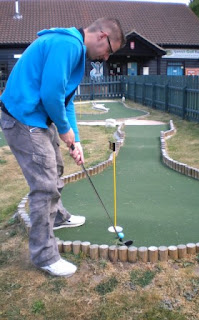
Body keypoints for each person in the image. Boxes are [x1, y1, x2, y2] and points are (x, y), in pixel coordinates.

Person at [0, 18, 126, 277]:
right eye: (110, 51)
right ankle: (44, 255)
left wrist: (75, 138)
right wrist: (65, 131)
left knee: (55, 166)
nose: (106, 57)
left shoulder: (75, 50)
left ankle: (56, 216)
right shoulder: (67, 45)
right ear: (103, 36)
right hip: (23, 117)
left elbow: (65, 101)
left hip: (36, 117)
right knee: (45, 185)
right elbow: (50, 95)